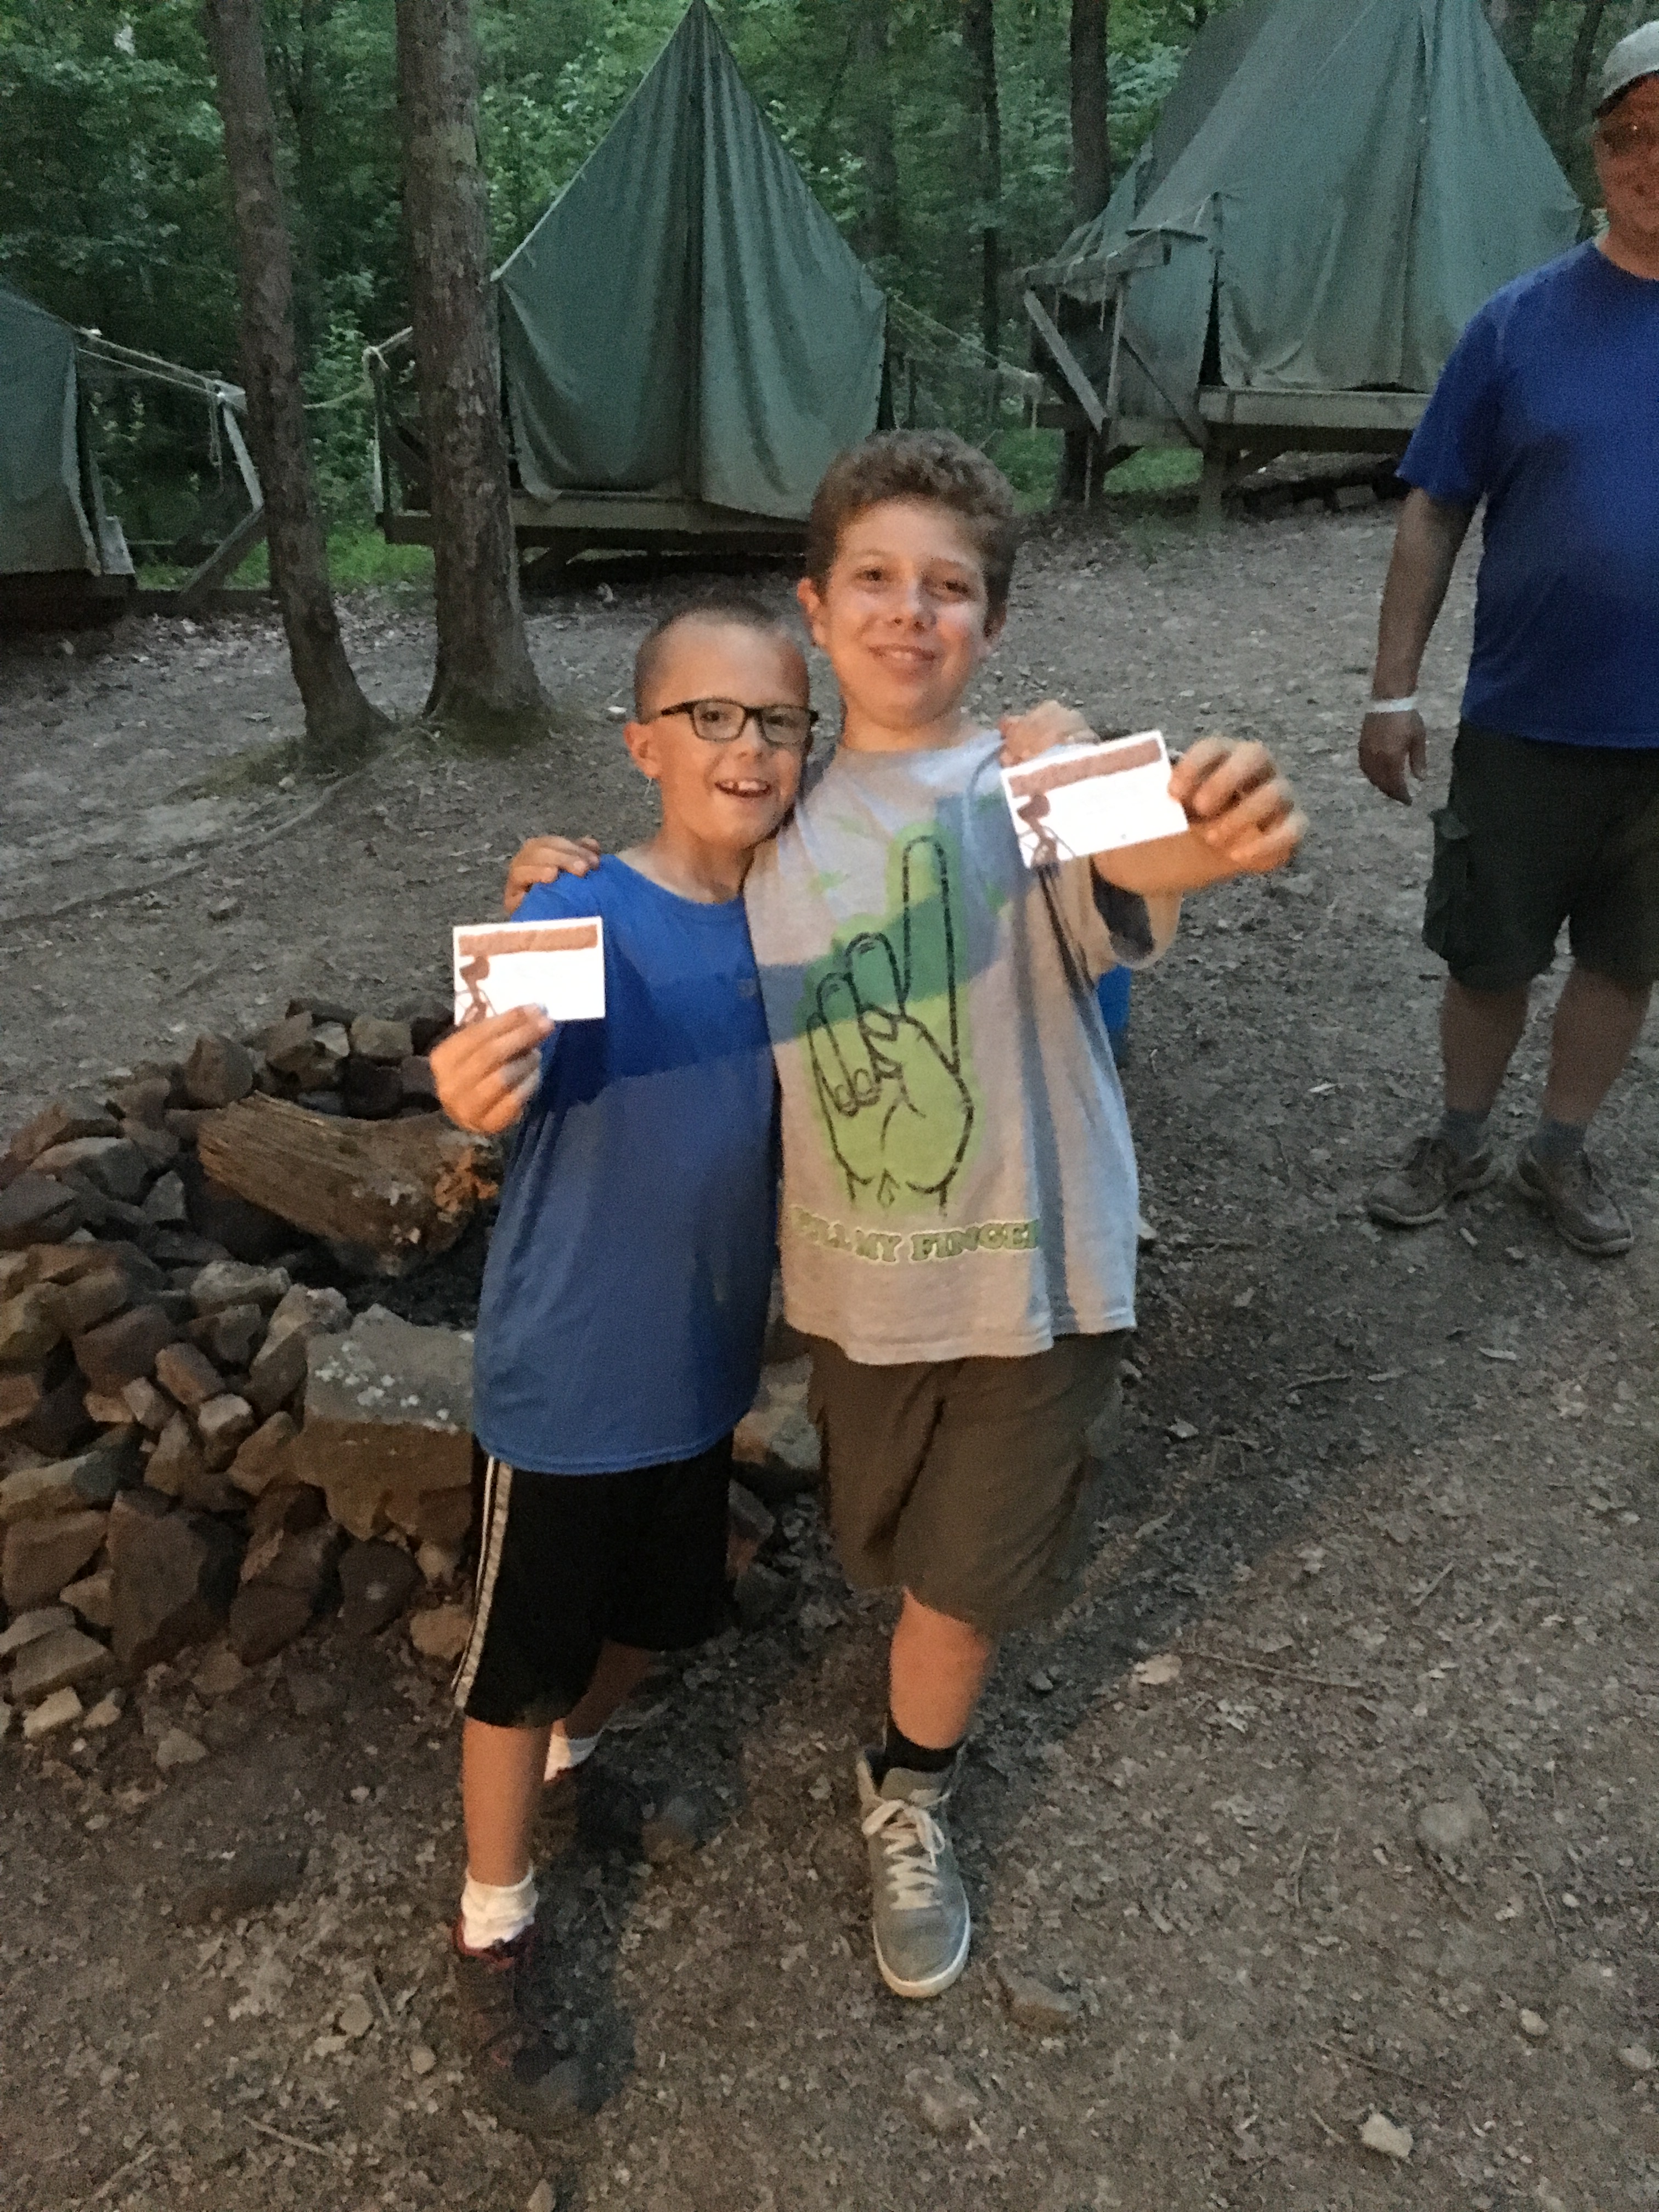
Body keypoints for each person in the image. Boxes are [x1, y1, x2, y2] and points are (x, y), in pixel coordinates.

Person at [507, 433, 1304, 2004]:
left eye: (950, 586)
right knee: (878, 1546)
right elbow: (659, 894)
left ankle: (911, 1789)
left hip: (1039, 1281)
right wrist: (552, 875)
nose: (910, 609)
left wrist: (1219, 812)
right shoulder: (768, 823)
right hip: (859, 1297)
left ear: (991, 623)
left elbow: (1153, 838)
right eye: (875, 576)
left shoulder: (1034, 778)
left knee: (957, 1584)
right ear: (816, 607)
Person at [427, 596, 814, 2132]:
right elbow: (493, 1072)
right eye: (709, 716)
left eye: (775, 720)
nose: (745, 746)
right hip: (569, 1385)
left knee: (657, 1618)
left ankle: (578, 1765)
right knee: (517, 1667)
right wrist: (474, 1083)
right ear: (644, 743)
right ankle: (493, 1924)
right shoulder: (577, 913)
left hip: (702, 1372)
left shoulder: (799, 918)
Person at [1359, 20, 1659, 1257]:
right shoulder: (1519, 323)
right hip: (1527, 717)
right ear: (1597, 152)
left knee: (1628, 959)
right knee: (1490, 955)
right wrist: (1391, 693)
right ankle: (1461, 1135)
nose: (1650, 158)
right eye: (1629, 133)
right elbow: (1435, 507)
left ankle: (1560, 1152)